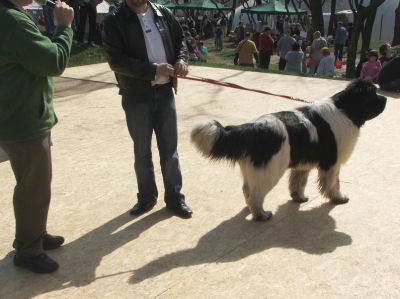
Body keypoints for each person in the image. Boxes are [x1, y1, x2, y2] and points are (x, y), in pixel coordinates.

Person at [0, 0, 74, 273]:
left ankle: (34, 233)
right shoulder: (12, 20)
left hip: (20, 116)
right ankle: (28, 249)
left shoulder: (11, 15)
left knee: (35, 184)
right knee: (33, 187)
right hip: (23, 121)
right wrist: (64, 27)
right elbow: (53, 61)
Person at [102, 0, 192, 218]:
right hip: (136, 95)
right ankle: (146, 197)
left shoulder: (164, 14)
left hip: (164, 93)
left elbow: (181, 42)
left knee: (170, 150)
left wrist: (181, 60)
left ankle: (174, 198)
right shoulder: (114, 21)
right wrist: (152, 70)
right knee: (142, 151)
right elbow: (116, 60)